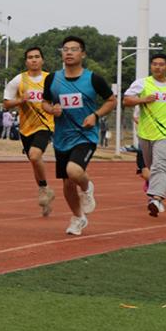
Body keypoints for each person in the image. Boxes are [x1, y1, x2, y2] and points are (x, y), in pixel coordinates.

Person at [41, 36, 117, 236]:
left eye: (74, 49)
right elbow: (45, 102)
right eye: (65, 49)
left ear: (82, 54)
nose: (68, 52)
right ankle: (78, 217)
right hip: (61, 138)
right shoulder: (53, 79)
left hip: (85, 135)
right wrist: (52, 109)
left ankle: (87, 186)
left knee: (74, 172)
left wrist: (95, 115)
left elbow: (111, 100)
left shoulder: (93, 79)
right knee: (67, 183)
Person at [2, 47, 56, 216]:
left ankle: (43, 189)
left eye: (37, 57)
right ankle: (44, 188)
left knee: (34, 155)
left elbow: (60, 98)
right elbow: (6, 104)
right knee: (34, 160)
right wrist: (20, 100)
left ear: (42, 60)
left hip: (45, 124)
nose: (34, 60)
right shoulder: (19, 80)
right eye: (30, 57)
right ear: (26, 61)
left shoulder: (50, 79)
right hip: (26, 128)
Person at [122, 52, 166, 216]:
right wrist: (143, 100)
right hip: (145, 133)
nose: (157, 67)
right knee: (153, 168)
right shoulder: (142, 83)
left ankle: (156, 199)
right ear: (151, 66)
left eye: (161, 64)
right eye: (155, 64)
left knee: (159, 166)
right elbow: (126, 100)